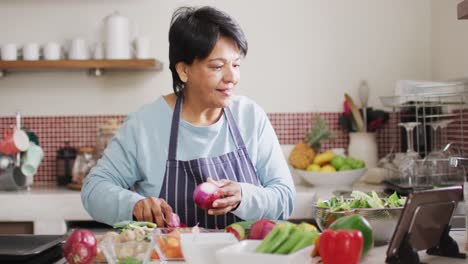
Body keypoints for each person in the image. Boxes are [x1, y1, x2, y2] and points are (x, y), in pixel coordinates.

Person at [81, 6, 295, 229]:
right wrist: (135, 205)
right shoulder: (146, 124)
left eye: (236, 64)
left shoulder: (250, 117)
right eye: (218, 66)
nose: (232, 77)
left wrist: (244, 196)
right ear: (184, 71)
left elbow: (285, 198)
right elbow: (94, 189)